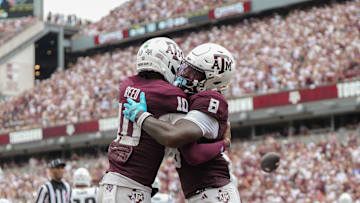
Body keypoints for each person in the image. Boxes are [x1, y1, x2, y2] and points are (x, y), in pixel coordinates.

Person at [97, 37, 228, 203]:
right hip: (130, 187)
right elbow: (181, 142)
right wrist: (223, 140)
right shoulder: (170, 94)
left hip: (113, 182)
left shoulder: (127, 84)